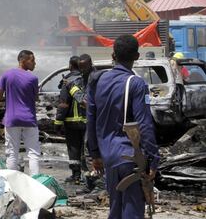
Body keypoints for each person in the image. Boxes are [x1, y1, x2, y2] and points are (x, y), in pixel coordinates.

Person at [87, 35, 160, 218]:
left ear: (113, 55)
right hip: (130, 157)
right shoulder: (136, 83)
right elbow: (145, 124)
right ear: (136, 56)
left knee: (115, 209)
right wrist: (153, 158)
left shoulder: (97, 81)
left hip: (108, 157)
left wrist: (94, 153)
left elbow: (91, 118)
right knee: (132, 211)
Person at [0, 50, 40, 175]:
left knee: (11, 152)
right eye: (32, 60)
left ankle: (12, 184)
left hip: (12, 119)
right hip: (29, 119)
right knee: (33, 153)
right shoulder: (33, 78)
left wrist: (9, 97)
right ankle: (36, 182)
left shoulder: (7, 75)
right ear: (23, 60)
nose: (35, 63)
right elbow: (35, 98)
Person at [55, 55, 87, 184]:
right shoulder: (86, 79)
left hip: (72, 122)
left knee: (74, 148)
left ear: (70, 66)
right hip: (86, 121)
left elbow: (63, 103)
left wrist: (58, 122)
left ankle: (76, 175)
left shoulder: (67, 81)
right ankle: (88, 175)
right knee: (86, 149)